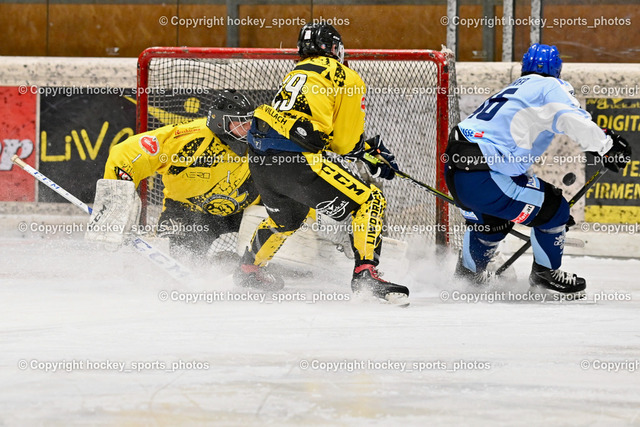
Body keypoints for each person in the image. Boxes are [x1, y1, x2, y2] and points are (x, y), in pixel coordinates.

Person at [233, 22, 410, 304]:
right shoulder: (345, 76)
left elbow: (309, 129)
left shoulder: (296, 73)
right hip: (297, 161)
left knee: (286, 219)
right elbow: (344, 144)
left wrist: (365, 151)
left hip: (260, 161)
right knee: (369, 200)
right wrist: (369, 155)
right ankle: (366, 273)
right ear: (335, 48)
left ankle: (249, 269)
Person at [445, 43, 632, 298]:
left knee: (492, 222)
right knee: (555, 208)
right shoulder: (550, 86)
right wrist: (606, 146)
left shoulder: (513, 90)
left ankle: (467, 280)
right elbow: (570, 117)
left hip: (457, 171)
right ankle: (545, 277)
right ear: (557, 70)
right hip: (485, 176)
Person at [89, 89, 259, 262]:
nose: (249, 129)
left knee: (264, 254)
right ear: (220, 123)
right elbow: (125, 153)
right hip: (186, 213)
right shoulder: (188, 138)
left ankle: (245, 266)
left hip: (244, 212)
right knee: (185, 261)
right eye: (241, 123)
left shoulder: (262, 140)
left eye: (250, 122)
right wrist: (117, 202)